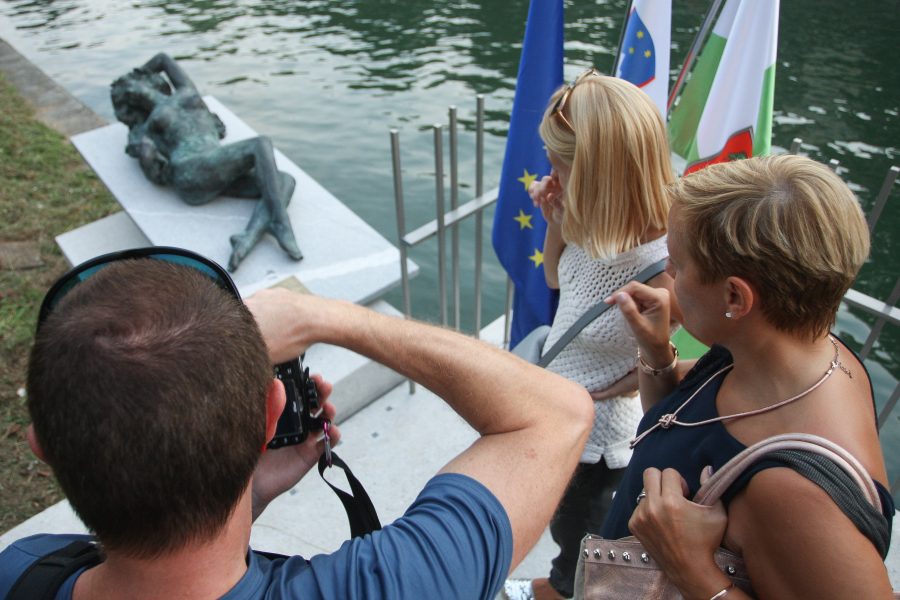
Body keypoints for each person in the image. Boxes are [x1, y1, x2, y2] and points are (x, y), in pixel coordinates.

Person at [0, 247, 593, 599]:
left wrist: (245, 491)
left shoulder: (22, 570)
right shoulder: (395, 586)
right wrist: (324, 318)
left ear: (42, 447)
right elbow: (557, 414)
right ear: (272, 414)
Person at [601, 154, 895, 598]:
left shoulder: (794, 496)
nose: (668, 275)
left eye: (677, 265)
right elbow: (678, 421)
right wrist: (657, 352)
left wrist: (693, 570)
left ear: (735, 298)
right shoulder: (781, 354)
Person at [506, 70, 679, 600]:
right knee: (567, 524)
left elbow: (669, 356)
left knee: (583, 532)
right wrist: (556, 220)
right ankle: (563, 581)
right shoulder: (597, 218)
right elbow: (556, 280)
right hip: (563, 408)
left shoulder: (666, 266)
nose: (549, 173)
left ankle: (563, 589)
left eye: (560, 164)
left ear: (599, 171)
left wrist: (623, 383)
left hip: (601, 438)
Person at [111, 52, 303, 272]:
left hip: (214, 167)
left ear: (147, 78)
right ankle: (281, 221)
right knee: (260, 144)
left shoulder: (185, 91)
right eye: (127, 94)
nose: (132, 91)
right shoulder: (146, 127)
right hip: (189, 171)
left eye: (131, 85)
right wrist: (148, 153)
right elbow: (153, 168)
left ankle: (247, 238)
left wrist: (136, 73)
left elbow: (163, 59)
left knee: (285, 180)